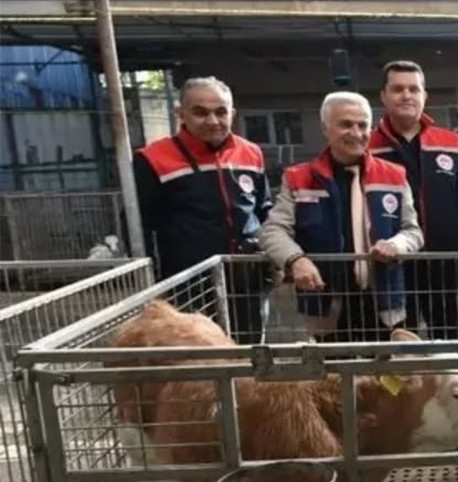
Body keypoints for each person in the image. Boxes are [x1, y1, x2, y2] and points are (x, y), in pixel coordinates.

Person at [260, 91, 423, 342]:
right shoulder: (298, 177)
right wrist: (295, 260)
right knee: (333, 367)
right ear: (325, 128)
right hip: (325, 303)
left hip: (384, 302)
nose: (356, 133)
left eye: (363, 125)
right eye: (346, 124)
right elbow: (273, 230)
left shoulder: (394, 175)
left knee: (386, 367)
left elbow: (413, 231)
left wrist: (396, 244)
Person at [133, 76, 271, 344]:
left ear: (232, 114)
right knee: (196, 353)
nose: (212, 121)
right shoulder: (153, 158)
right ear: (180, 113)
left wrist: (271, 259)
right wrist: (153, 284)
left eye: (221, 112)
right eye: (200, 112)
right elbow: (141, 225)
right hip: (187, 281)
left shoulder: (251, 152)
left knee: (250, 348)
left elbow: (264, 209)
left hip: (246, 277)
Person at [368, 60, 458, 339]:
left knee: (448, 341)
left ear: (424, 96)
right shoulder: (368, 147)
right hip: (390, 267)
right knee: (398, 344)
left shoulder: (450, 142)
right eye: (398, 89)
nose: (406, 95)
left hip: (445, 264)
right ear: (383, 96)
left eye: (413, 89)